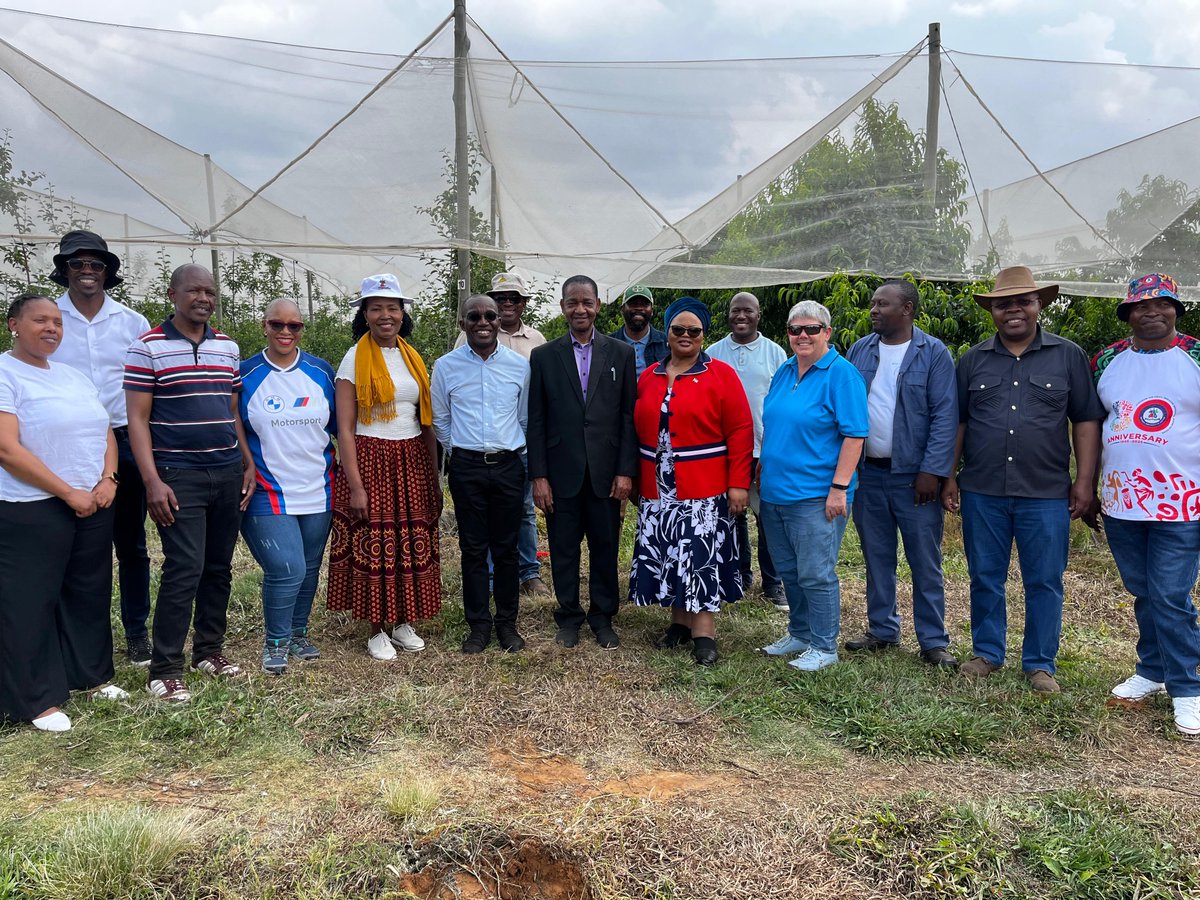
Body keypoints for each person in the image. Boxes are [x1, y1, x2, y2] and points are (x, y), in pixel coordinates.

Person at [942, 266, 1103, 694]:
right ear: (992, 311)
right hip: (982, 488)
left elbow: (1086, 421)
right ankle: (988, 653)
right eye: (1002, 304)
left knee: (1045, 579)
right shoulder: (973, 360)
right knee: (984, 575)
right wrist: (949, 477)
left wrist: (1084, 482)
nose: (1012, 309)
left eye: (1022, 302)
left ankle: (1039, 663)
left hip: (1046, 492)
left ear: (1038, 306)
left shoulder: (1068, 356)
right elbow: (958, 423)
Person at [125, 264, 256, 703]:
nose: (203, 298)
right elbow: (137, 420)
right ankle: (164, 668)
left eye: (210, 291)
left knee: (218, 566)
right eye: (194, 290)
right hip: (177, 475)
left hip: (225, 470)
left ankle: (209, 651)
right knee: (185, 567)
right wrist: (152, 481)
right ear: (172, 294)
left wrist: (246, 462)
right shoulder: (148, 347)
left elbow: (232, 410)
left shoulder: (227, 348)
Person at [0, 293, 123, 733]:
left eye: (57, 322)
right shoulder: (5, 372)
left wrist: (108, 478)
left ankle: (90, 676)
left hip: (92, 500)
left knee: (87, 591)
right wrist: (67, 492)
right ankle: (35, 699)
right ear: (14, 324)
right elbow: (7, 449)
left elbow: (105, 429)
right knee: (30, 600)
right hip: (31, 504)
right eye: (40, 321)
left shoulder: (73, 376)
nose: (52, 328)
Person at [1092, 273, 1200, 735]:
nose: (1152, 312)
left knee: (1172, 597)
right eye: (1141, 306)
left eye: (1162, 304)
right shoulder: (1107, 360)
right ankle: (1152, 670)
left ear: (1176, 309)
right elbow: (1094, 425)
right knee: (1144, 592)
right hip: (1122, 501)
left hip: (1182, 502)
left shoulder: (1195, 355)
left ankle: (1188, 687)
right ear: (1128, 313)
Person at [629, 296, 752, 666]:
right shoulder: (648, 376)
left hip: (704, 487)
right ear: (666, 333)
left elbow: (742, 430)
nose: (685, 336)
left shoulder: (721, 375)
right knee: (670, 554)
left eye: (693, 331)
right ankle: (679, 624)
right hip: (658, 487)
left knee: (699, 558)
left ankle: (704, 634)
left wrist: (739, 483)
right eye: (678, 329)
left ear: (703, 335)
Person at [50, 230, 153, 666]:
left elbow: (150, 385)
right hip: (67, 443)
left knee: (130, 544)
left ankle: (136, 634)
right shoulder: (49, 318)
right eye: (78, 264)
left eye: (96, 264)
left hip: (125, 440)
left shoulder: (132, 323)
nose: (88, 271)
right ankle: (72, 635)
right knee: (70, 544)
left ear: (108, 273)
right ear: (65, 271)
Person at [844, 280, 959, 668]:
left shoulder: (933, 353)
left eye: (883, 304)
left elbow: (945, 415)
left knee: (924, 560)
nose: (874, 310)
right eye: (874, 303)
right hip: (869, 474)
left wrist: (933, 470)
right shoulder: (860, 349)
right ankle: (882, 629)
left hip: (914, 479)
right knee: (876, 556)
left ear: (907, 309)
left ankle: (932, 640)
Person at [327, 275, 442, 661]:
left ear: (402, 313)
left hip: (410, 459)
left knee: (409, 540)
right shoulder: (353, 358)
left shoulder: (412, 356)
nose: (385, 315)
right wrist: (355, 485)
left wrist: (433, 475)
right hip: (371, 458)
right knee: (374, 543)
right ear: (364, 314)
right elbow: (344, 427)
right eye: (375, 307)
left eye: (392, 307)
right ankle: (376, 627)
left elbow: (423, 418)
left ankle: (403, 621)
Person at [528, 275, 637, 650]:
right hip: (561, 473)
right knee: (563, 547)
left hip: (607, 473)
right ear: (562, 307)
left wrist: (626, 471)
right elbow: (537, 419)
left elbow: (627, 417)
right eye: (572, 302)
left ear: (598, 306)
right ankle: (569, 616)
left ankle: (603, 617)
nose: (580, 309)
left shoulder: (621, 353)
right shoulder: (544, 356)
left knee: (605, 547)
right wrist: (538, 476)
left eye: (586, 302)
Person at [758, 300, 868, 671]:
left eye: (811, 329)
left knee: (816, 573)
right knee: (789, 570)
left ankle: (824, 646)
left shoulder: (842, 375)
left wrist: (839, 488)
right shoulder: (786, 370)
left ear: (827, 333)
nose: (802, 336)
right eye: (795, 329)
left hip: (816, 494)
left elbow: (855, 435)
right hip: (775, 492)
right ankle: (800, 633)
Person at [239, 299, 337, 675]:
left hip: (318, 488)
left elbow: (337, 426)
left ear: (301, 330)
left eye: (293, 326)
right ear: (264, 326)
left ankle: (298, 633)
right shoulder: (245, 374)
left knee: (310, 567)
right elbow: (234, 428)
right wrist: (246, 466)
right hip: (267, 490)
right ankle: (275, 641)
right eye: (277, 324)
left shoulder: (320, 372)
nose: (285, 332)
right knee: (287, 567)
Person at [432, 294, 530, 654]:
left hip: (508, 466)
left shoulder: (520, 366)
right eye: (474, 316)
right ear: (463, 324)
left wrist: (512, 453)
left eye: (490, 315)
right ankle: (478, 626)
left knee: (506, 550)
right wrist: (462, 451)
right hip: (467, 467)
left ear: (499, 321)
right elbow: (440, 420)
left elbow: (523, 418)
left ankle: (507, 624)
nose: (484, 321)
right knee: (472, 549)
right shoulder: (445, 367)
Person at [455, 271, 549, 597]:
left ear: (524, 304)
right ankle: (492, 576)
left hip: (517, 446)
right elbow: (451, 400)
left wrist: (523, 444)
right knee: (485, 516)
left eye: (514, 298)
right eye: (501, 298)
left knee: (522, 511)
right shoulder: (468, 336)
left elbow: (534, 400)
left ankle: (529, 572)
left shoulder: (536, 341)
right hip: (476, 447)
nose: (507, 303)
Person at [706, 291, 788, 606]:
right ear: (729, 315)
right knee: (731, 516)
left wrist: (773, 448)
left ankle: (773, 583)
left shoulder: (775, 353)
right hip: (724, 451)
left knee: (766, 516)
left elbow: (782, 402)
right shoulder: (713, 352)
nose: (741, 316)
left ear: (758, 315)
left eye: (748, 311)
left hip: (763, 450)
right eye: (736, 311)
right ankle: (738, 577)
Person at [610, 284, 668, 378]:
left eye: (644, 304)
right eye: (633, 304)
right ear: (622, 309)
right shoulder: (608, 344)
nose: (639, 308)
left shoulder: (666, 343)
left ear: (652, 310)